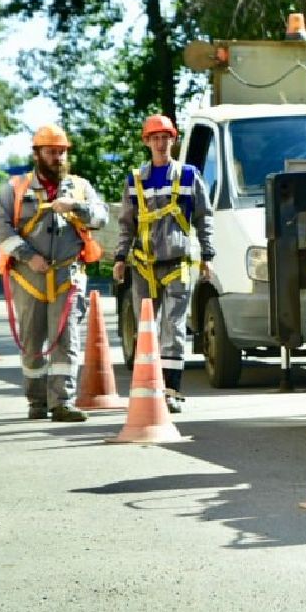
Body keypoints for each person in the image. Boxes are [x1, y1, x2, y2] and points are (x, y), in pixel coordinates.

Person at [0, 124, 109, 422]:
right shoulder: (14, 188)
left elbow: (101, 217)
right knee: (32, 341)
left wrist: (76, 207)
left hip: (67, 275)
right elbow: (0, 228)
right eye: (51, 152)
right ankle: (37, 401)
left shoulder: (80, 187)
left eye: (61, 152)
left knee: (66, 338)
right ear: (37, 154)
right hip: (28, 277)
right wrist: (29, 257)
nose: (57, 157)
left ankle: (62, 402)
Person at [112, 114, 215, 414]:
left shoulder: (188, 176)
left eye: (165, 137)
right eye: (154, 138)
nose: (160, 142)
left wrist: (208, 255)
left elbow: (203, 217)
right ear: (146, 142)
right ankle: (147, 388)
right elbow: (126, 224)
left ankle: (171, 390)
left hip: (177, 263)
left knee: (174, 327)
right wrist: (120, 258)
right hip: (143, 266)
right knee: (147, 330)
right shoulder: (135, 180)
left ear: (173, 140)